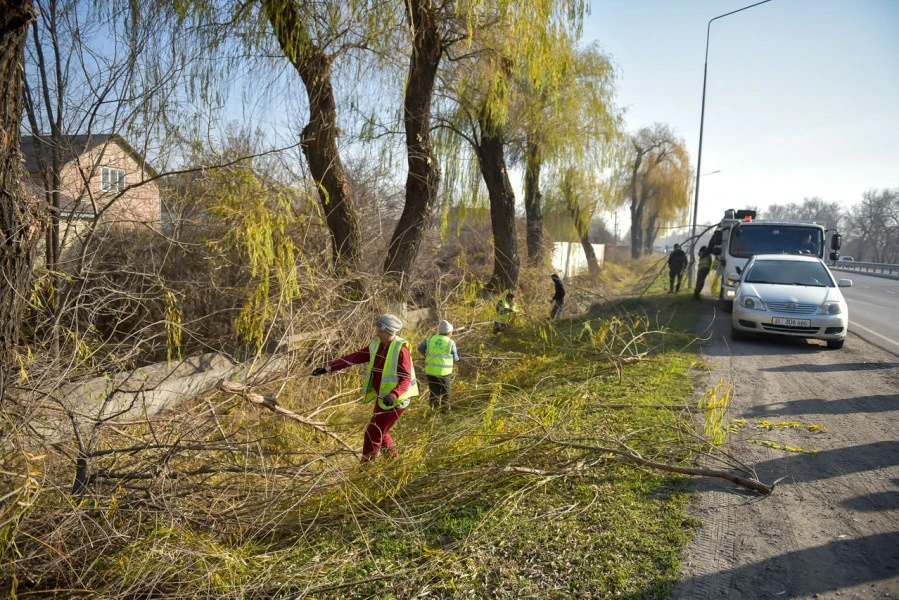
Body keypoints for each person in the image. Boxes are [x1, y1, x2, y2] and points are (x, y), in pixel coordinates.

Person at [311, 314, 418, 461]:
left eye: (380, 330)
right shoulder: (376, 345)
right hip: (383, 398)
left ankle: (366, 468)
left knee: (372, 434)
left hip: (396, 401)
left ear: (388, 332)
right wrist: (328, 368)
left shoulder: (401, 349)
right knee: (380, 431)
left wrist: (394, 394)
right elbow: (355, 357)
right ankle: (393, 460)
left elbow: (406, 378)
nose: (376, 333)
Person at [417, 320, 459, 411]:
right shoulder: (450, 342)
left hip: (430, 371)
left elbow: (420, 349)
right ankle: (444, 412)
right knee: (446, 392)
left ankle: (433, 411)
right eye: (451, 332)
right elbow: (455, 358)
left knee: (434, 392)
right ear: (449, 332)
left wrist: (426, 356)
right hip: (443, 372)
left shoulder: (430, 339)